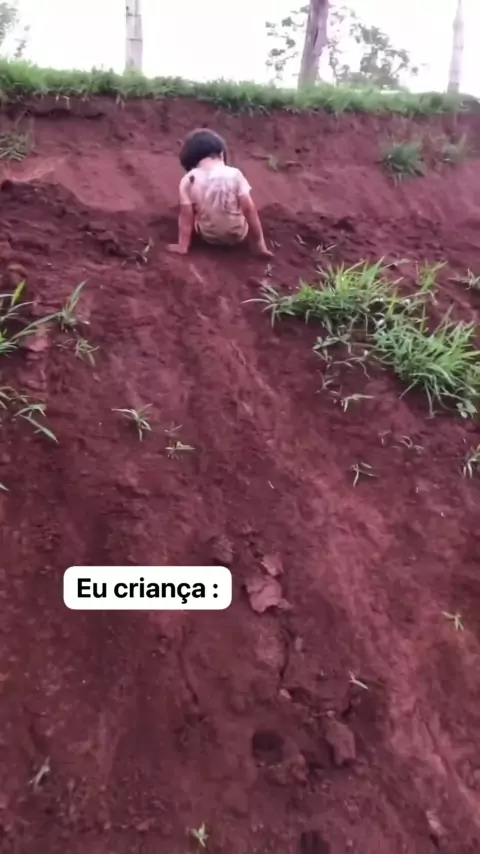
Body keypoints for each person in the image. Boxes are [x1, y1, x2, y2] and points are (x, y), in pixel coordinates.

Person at [167, 128, 273, 258]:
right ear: (221, 154)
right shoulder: (236, 174)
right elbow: (249, 209)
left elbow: (186, 215)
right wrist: (260, 245)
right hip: (237, 235)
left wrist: (182, 245)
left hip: (207, 236)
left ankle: (189, 242)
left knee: (193, 209)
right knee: (241, 211)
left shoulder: (188, 179)